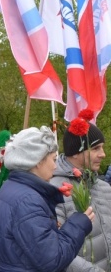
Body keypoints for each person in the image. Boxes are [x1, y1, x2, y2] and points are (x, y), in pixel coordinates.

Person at [0, 126, 94, 271]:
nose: (55, 166)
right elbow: (52, 260)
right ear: (38, 161)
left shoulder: (11, 188)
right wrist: (78, 225)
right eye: (53, 159)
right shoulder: (27, 201)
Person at [50, 116, 111, 271]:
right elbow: (54, 249)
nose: (103, 154)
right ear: (75, 152)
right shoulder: (54, 190)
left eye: (102, 148)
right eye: (96, 148)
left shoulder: (105, 188)